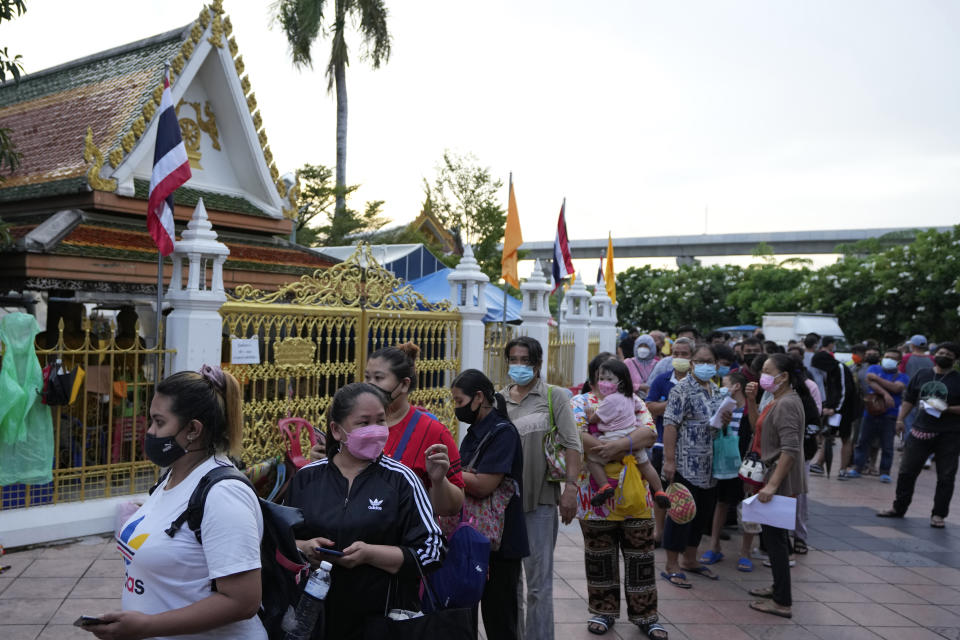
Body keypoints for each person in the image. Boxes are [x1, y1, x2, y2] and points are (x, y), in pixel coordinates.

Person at [90, 366, 266, 640]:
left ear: (193, 429)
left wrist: (147, 626)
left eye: (159, 423)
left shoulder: (223, 495)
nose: (149, 432)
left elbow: (243, 601)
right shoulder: (172, 477)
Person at [288, 382, 443, 640]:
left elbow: (433, 550)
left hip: (382, 623)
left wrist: (371, 554)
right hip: (314, 620)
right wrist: (303, 548)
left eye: (380, 421)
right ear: (337, 431)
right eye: (363, 423)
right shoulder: (306, 478)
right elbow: (278, 543)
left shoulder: (402, 479)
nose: (375, 430)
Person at [310, 343, 465, 516]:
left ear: (404, 385)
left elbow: (452, 507)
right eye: (367, 377)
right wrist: (322, 462)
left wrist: (438, 481)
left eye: (378, 378)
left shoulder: (433, 432)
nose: (370, 384)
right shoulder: (348, 424)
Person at [571, 353, 665, 640]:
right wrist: (611, 447)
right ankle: (603, 611)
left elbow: (648, 432)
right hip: (594, 500)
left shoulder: (634, 400)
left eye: (612, 374)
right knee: (599, 558)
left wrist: (617, 446)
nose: (607, 379)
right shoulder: (580, 402)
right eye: (602, 374)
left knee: (642, 559)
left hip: (636, 498)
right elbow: (575, 433)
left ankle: (647, 616)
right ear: (593, 376)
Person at [502, 336, 582, 640]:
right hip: (506, 503)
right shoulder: (499, 399)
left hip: (541, 502)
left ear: (537, 364)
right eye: (514, 359)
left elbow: (572, 444)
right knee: (510, 585)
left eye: (526, 360)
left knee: (538, 584)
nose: (519, 366)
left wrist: (571, 489)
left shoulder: (554, 396)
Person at [452, 369, 529, 640]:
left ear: (479, 398)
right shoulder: (474, 433)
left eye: (459, 401)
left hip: (501, 541)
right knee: (464, 613)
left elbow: (484, 485)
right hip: (474, 537)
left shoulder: (503, 432)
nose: (456, 408)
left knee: (499, 618)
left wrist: (445, 472)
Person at [744, 353, 808, 619]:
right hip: (771, 477)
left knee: (777, 542)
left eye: (769, 371)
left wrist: (772, 485)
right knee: (774, 538)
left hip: (778, 481)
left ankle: (782, 602)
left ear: (784, 377)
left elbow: (790, 449)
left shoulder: (787, 404)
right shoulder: (777, 399)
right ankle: (777, 588)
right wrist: (750, 400)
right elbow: (758, 428)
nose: (763, 375)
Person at [660, 344, 723, 588]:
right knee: (681, 513)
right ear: (693, 363)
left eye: (710, 361)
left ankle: (690, 559)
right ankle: (671, 564)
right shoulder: (682, 389)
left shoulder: (716, 391)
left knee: (702, 513)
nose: (705, 365)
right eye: (700, 360)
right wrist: (669, 460)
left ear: (716, 365)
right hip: (685, 462)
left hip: (711, 464)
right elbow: (670, 424)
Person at [878, 342, 960, 528]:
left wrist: (947, 409)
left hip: (949, 435)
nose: (943, 355)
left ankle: (938, 514)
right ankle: (899, 508)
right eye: (940, 352)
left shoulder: (957, 379)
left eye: (948, 354)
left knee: (946, 476)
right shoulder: (922, 374)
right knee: (907, 471)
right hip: (920, 430)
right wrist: (900, 420)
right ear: (934, 354)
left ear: (955, 359)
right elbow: (909, 399)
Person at [583, 358, 669, 509]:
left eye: (609, 379)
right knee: (646, 465)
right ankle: (660, 491)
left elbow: (596, 418)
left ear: (621, 381)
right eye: (601, 378)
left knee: (592, 460)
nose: (604, 382)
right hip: (632, 435)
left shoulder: (608, 400)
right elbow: (639, 411)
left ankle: (604, 486)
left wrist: (590, 416)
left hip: (612, 437)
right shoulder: (632, 397)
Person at [644, 337, 694, 541]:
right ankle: (659, 531)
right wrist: (674, 402)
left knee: (684, 492)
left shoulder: (698, 381)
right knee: (661, 489)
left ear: (692, 357)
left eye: (685, 354)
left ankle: (681, 534)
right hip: (661, 443)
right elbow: (649, 406)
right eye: (676, 354)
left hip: (690, 446)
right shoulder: (662, 380)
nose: (680, 358)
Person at [700, 370, 747, 567]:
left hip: (746, 463)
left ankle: (746, 553)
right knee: (721, 503)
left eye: (725, 383)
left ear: (736, 386)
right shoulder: (723, 407)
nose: (721, 387)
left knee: (748, 506)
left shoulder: (747, 409)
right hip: (725, 463)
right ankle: (714, 546)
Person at [848, 348, 908, 482]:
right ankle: (858, 467)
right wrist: (886, 394)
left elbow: (897, 388)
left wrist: (877, 380)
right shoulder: (874, 368)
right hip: (870, 412)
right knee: (863, 441)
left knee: (887, 444)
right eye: (887, 356)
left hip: (890, 414)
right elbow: (871, 382)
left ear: (898, 361)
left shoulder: (903, 376)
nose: (889, 359)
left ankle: (885, 472)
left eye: (893, 358)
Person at [812, 350, 860, 478]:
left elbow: (845, 391)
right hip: (833, 409)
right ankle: (819, 463)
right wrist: (828, 406)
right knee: (827, 435)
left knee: (845, 438)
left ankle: (843, 469)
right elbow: (831, 391)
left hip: (845, 411)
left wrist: (836, 409)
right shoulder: (830, 371)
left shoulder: (840, 368)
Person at [625, 333, 659, 398]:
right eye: (640, 346)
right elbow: (621, 384)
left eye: (646, 346)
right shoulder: (628, 363)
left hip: (652, 401)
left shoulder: (658, 365)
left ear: (652, 348)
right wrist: (639, 387)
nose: (643, 349)